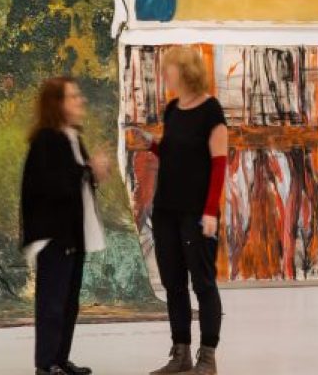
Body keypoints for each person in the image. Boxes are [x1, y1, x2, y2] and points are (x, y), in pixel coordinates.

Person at [129, 47, 228, 375]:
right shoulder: (172, 110)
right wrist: (151, 143)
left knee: (203, 283)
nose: (164, 74)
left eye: (168, 69)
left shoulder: (211, 110)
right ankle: (181, 352)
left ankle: (207, 357)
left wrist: (210, 212)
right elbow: (172, 152)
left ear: (185, 71)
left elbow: (218, 163)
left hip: (196, 213)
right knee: (173, 284)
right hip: (166, 211)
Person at [21, 77, 113, 375]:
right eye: (73, 96)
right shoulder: (46, 140)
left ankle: (60, 359)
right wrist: (87, 169)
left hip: (73, 234)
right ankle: (46, 364)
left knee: (68, 302)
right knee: (52, 302)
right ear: (57, 104)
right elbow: (52, 186)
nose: (80, 100)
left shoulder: (71, 137)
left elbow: (76, 182)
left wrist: (92, 173)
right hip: (54, 235)